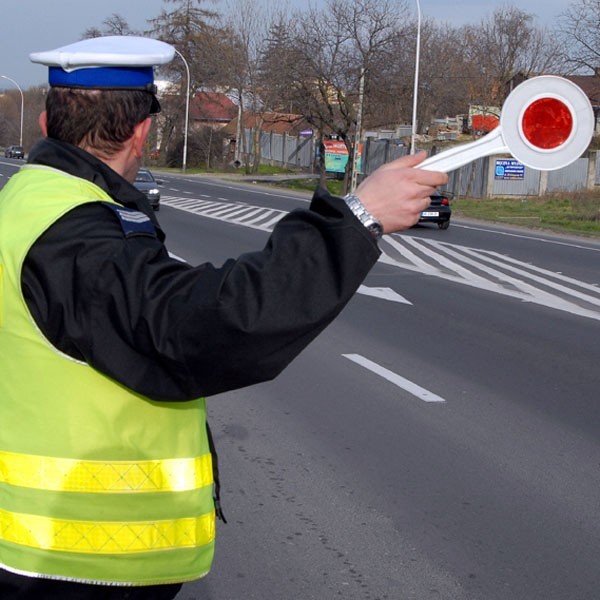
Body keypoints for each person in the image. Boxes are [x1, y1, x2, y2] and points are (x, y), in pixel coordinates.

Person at [0, 36, 447, 600]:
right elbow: (205, 324)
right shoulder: (76, 233)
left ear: (45, 123)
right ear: (142, 133)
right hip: (74, 564)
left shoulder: (24, 203)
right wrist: (358, 220)